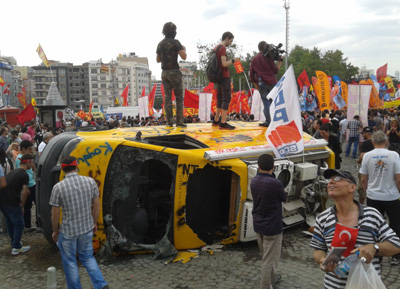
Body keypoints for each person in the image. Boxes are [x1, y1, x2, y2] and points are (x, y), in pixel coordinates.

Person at [310, 169, 400, 289]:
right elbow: (318, 249)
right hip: (332, 286)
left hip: (365, 284)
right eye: (329, 180)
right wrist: (322, 260)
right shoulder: (322, 218)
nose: (330, 182)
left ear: (352, 187)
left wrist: (374, 248)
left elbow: (396, 244)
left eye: (337, 179)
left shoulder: (372, 215)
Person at [49, 156, 108, 289]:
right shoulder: (90, 182)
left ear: (63, 169)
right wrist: (93, 223)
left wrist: (55, 230)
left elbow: (55, 213)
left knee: (70, 262)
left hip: (68, 231)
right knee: (87, 258)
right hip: (86, 228)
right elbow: (97, 206)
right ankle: (101, 284)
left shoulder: (58, 187)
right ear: (76, 166)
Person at [360, 131, 400, 266]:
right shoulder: (394, 155)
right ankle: (395, 255)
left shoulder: (367, 156)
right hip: (392, 196)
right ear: (386, 141)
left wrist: (366, 192)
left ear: (372, 142)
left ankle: (378, 255)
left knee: (375, 226)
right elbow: (399, 179)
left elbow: (363, 179)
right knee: (395, 225)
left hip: (373, 196)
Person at [250, 154, 287, 289]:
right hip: (272, 226)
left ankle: (274, 277)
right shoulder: (275, 183)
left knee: (267, 255)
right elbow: (284, 198)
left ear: (258, 166)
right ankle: (265, 285)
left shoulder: (254, 181)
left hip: (258, 223)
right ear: (273, 167)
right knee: (268, 259)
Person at [0, 154, 33, 255]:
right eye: (31, 161)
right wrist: (22, 206)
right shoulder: (24, 175)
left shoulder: (14, 171)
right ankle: (16, 247)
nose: (32, 163)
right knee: (19, 223)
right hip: (12, 201)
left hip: (2, 201)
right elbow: (24, 192)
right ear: (28, 162)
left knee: (10, 222)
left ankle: (14, 242)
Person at [156, 22, 187, 128]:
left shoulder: (160, 44)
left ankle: (169, 121)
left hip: (164, 73)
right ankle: (179, 122)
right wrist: (183, 49)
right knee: (179, 98)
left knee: (167, 98)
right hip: (174, 72)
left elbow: (158, 59)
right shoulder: (176, 42)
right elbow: (184, 57)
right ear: (174, 31)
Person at [250, 41, 282, 127]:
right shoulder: (268, 58)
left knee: (266, 102)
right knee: (273, 102)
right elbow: (275, 71)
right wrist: (280, 63)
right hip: (272, 83)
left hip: (262, 83)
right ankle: (275, 120)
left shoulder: (254, 59)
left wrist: (255, 83)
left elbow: (251, 73)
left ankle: (268, 121)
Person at [212, 31, 239, 130]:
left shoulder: (216, 48)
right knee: (226, 98)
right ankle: (223, 122)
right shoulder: (222, 48)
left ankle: (216, 120)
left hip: (218, 76)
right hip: (224, 76)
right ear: (227, 38)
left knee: (220, 98)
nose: (231, 43)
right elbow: (224, 64)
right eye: (231, 41)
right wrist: (233, 60)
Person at [15, 140, 37, 232]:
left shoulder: (28, 157)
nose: (30, 151)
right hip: (27, 185)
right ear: (23, 149)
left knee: (37, 204)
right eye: (28, 149)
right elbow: (21, 174)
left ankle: (38, 223)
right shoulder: (19, 158)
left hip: (33, 183)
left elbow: (34, 169)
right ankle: (27, 225)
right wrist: (26, 187)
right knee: (27, 206)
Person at [356, 126, 374, 204]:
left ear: (366, 133)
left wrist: (358, 161)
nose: (362, 135)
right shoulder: (376, 142)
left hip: (365, 169)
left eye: (363, 134)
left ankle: (361, 205)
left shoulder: (365, 143)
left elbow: (362, 155)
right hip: (374, 168)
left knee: (362, 188)